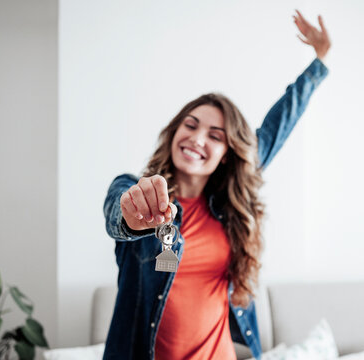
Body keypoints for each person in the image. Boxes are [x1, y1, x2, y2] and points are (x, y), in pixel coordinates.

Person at [102, 10, 331, 360]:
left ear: (227, 153)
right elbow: (118, 213)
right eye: (190, 125)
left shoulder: (227, 203)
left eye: (214, 135)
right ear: (175, 131)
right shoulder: (140, 193)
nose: (196, 138)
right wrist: (132, 220)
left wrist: (320, 60)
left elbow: (279, 122)